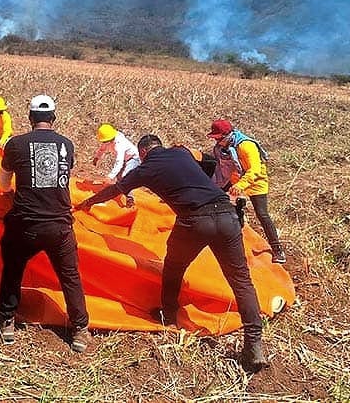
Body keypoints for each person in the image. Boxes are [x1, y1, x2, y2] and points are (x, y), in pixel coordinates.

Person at [77, 134, 268, 372]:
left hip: (194, 220)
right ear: (161, 146)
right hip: (227, 215)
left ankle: (168, 314)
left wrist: (88, 203)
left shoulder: (146, 168)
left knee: (174, 268)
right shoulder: (181, 152)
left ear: (143, 153)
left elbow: (116, 189)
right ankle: (253, 342)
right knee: (241, 280)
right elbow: (209, 161)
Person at [0, 95, 91, 353]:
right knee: (70, 276)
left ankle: (7, 321)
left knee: (13, 269)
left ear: (30, 118)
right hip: (59, 226)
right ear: (53, 119)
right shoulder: (67, 145)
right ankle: (80, 329)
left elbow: (3, 182)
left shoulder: (15, 144)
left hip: (25, 224)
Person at [207, 119, 286, 264]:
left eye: (219, 138)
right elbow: (221, 169)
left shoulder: (246, 146)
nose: (217, 141)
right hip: (236, 181)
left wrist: (241, 185)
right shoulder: (221, 149)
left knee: (262, 214)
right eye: (215, 138)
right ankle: (233, 242)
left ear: (227, 135)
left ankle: (278, 250)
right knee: (230, 210)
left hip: (255, 182)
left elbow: (254, 169)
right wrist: (214, 186)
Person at [92, 123, 140, 207]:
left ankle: (130, 198)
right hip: (125, 159)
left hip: (133, 159)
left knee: (124, 177)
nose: (104, 142)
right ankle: (121, 190)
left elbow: (119, 162)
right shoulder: (107, 140)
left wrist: (110, 176)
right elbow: (101, 149)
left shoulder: (119, 144)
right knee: (119, 178)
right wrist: (97, 157)